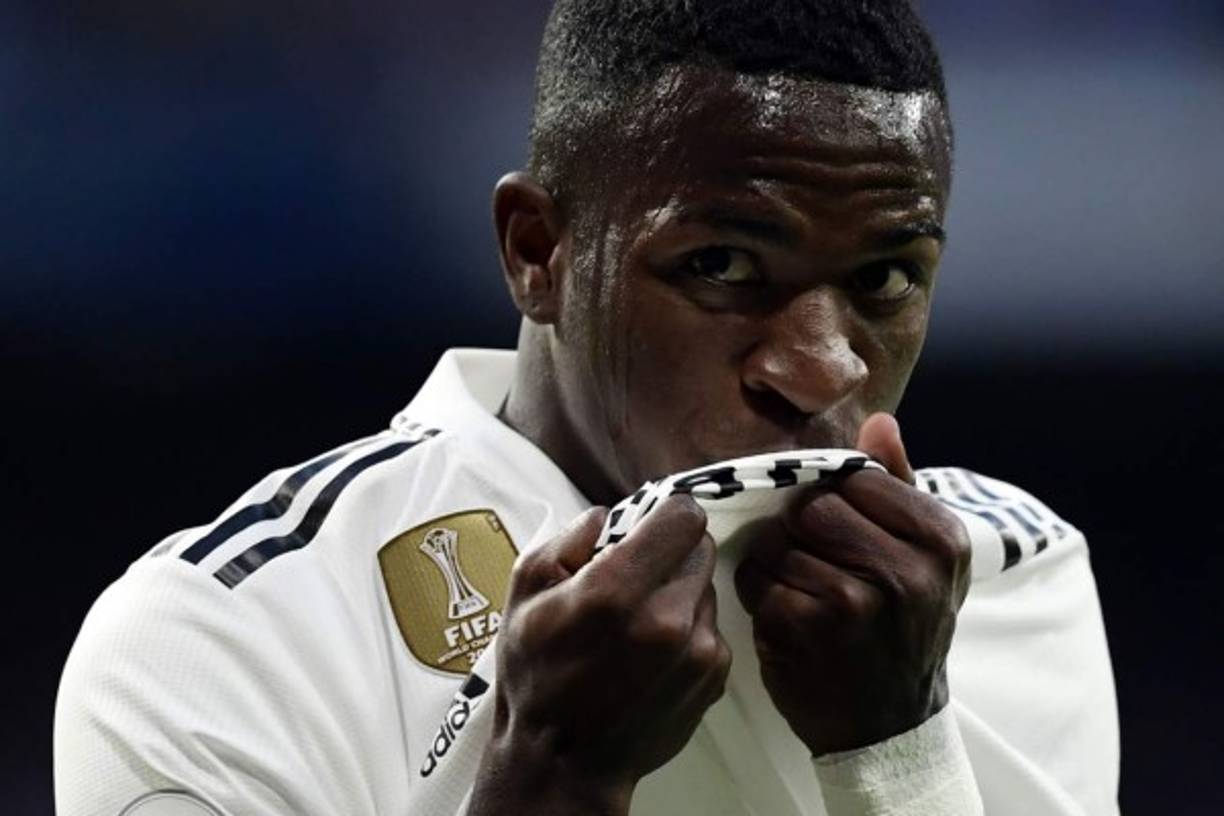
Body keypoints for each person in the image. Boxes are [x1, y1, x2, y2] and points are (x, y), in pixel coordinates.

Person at [54, 1, 1120, 814]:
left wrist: (900, 755)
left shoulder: (1018, 578)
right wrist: (551, 779)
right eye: (721, 263)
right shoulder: (233, 634)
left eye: (885, 279)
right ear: (538, 251)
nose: (822, 366)